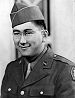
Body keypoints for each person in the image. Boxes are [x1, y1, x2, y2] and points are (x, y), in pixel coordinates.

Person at [1, 2, 75, 98]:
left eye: (28, 33)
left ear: (44, 35)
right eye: (17, 33)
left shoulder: (64, 70)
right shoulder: (11, 69)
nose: (22, 41)